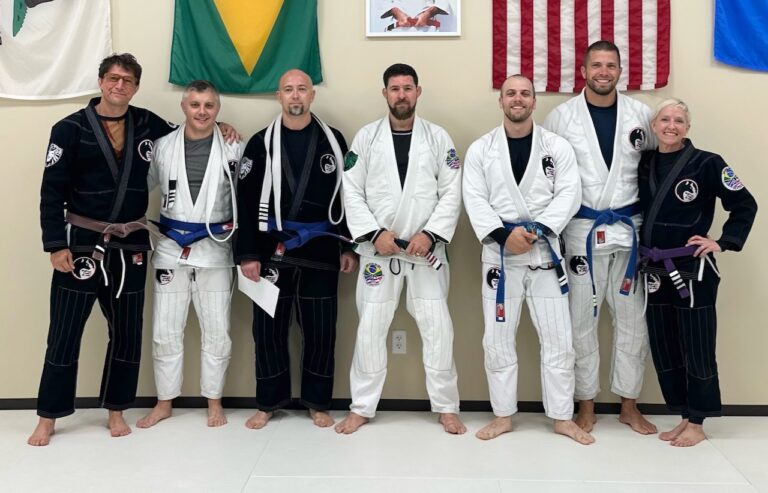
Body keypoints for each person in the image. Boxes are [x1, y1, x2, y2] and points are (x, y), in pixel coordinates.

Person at [29, 53, 180, 446]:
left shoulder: (147, 123)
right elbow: (51, 192)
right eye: (113, 78)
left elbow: (188, 136)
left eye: (128, 81)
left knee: (127, 332)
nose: (119, 86)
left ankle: (116, 409)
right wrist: (55, 244)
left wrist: (223, 127)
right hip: (82, 242)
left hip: (131, 244)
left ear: (136, 87)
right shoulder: (69, 128)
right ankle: (48, 416)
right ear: (100, 81)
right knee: (64, 332)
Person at [335, 63, 465, 435]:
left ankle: (446, 406)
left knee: (438, 329)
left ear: (418, 92)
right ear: (385, 94)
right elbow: (351, 190)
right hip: (380, 253)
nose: (402, 95)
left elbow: (451, 191)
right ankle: (361, 406)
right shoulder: (366, 138)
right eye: (395, 89)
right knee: (371, 329)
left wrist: (432, 235)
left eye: (408, 88)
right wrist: (374, 234)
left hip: (426, 253)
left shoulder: (439, 138)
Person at [463, 75, 592, 444]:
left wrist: (539, 230)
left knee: (559, 339)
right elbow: (473, 198)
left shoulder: (557, 147)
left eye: (525, 93)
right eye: (511, 93)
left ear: (534, 101)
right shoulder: (481, 149)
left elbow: (569, 194)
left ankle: (563, 417)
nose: (517, 99)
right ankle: (503, 415)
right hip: (500, 256)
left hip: (544, 251)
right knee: (497, 339)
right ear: (500, 101)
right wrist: (504, 236)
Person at [543, 40, 657, 435]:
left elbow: (657, 170)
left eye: (611, 65)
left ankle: (629, 403)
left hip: (630, 231)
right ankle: (586, 403)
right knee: (581, 319)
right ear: (584, 71)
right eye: (597, 65)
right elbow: (549, 178)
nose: (604, 72)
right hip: (581, 231)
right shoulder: (561, 117)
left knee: (632, 319)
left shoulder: (642, 115)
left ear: (620, 70)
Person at [236, 69, 357, 429]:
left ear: (312, 96)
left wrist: (348, 246)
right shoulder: (260, 143)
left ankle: (317, 401)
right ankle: (268, 402)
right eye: (288, 89)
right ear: (279, 97)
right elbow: (244, 201)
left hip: (322, 247)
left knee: (321, 330)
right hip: (272, 248)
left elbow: (349, 196)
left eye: (302, 89)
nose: (295, 96)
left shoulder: (333, 141)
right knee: (267, 330)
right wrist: (247, 254)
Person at [638, 99, 757, 446]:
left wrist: (724, 241)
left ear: (688, 127)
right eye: (664, 119)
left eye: (678, 120)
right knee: (664, 346)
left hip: (693, 268)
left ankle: (699, 422)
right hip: (654, 268)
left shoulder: (708, 163)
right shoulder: (645, 162)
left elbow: (745, 203)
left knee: (698, 346)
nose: (671, 125)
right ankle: (685, 414)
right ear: (654, 125)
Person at [136, 80, 243, 429]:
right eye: (195, 104)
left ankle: (214, 401)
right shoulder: (163, 147)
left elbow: (251, 193)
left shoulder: (233, 147)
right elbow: (139, 187)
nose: (201, 111)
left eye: (209, 105)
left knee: (217, 330)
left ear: (217, 109)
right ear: (184, 107)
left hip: (215, 250)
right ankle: (165, 401)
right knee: (165, 329)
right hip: (170, 248)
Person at [376, 0, 453, 33]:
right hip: (398, 29)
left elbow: (443, 3)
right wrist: (395, 11)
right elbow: (383, 4)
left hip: (428, 29)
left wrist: (429, 13)